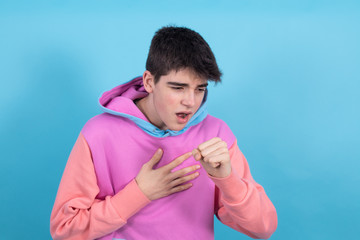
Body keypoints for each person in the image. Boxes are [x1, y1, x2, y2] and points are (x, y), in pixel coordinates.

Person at [50, 26, 277, 240]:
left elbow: (263, 228)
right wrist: (139, 193)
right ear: (149, 81)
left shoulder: (216, 135)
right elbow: (64, 230)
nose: (190, 102)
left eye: (200, 89)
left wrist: (228, 180)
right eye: (178, 88)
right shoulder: (99, 133)